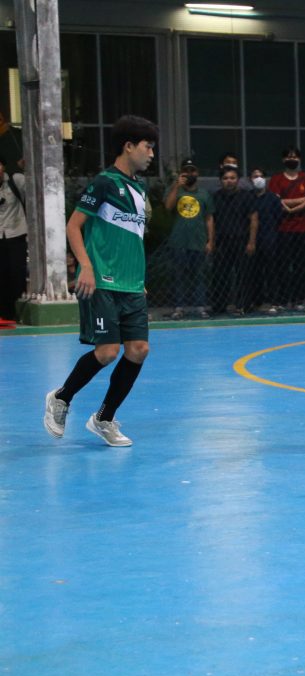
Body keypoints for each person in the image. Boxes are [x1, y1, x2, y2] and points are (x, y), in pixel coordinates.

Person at [43, 115, 158, 447]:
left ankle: (104, 418)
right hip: (103, 282)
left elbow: (133, 239)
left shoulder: (139, 189)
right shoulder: (104, 183)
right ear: (129, 146)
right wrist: (86, 267)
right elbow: (73, 226)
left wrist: (139, 278)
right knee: (107, 352)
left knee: (139, 350)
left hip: (131, 285)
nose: (152, 154)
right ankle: (61, 398)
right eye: (148, 146)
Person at [164, 158, 213, 320]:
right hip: (179, 241)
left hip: (198, 241)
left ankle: (200, 307)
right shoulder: (175, 190)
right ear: (181, 173)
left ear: (197, 173)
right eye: (186, 170)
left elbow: (209, 218)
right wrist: (176, 186)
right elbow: (168, 206)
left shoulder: (204, 194)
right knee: (179, 275)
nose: (189, 173)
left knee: (199, 275)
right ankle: (179, 307)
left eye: (192, 170)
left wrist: (210, 240)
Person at [269, 148, 305, 311]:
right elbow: (276, 201)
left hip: (303, 229)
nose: (292, 159)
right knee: (282, 266)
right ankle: (282, 300)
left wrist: (290, 208)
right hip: (283, 229)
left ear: (299, 159)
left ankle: (299, 300)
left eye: (295, 157)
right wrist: (301, 200)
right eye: (289, 157)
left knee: (301, 266)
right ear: (283, 160)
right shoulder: (276, 179)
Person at [210, 166, 258, 314]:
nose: (229, 181)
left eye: (232, 178)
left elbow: (254, 219)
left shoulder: (247, 196)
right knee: (219, 274)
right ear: (220, 180)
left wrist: (251, 242)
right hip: (222, 242)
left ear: (238, 180)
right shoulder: (215, 197)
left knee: (244, 274)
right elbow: (211, 220)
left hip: (241, 240)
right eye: (225, 178)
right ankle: (219, 306)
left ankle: (244, 305)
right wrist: (211, 241)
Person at [249, 167, 284, 313]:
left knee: (271, 271)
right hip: (252, 240)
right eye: (255, 176)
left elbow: (279, 217)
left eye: (261, 176)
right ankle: (256, 301)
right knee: (254, 272)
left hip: (269, 238)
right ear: (250, 180)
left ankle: (274, 301)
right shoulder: (248, 197)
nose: (258, 179)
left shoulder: (273, 198)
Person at [0, 154, 28, 321]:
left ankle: (17, 313)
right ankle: (3, 314)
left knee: (17, 275)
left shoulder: (15, 180)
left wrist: (27, 168)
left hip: (16, 235)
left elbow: (34, 189)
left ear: (3, 167)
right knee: (1, 276)